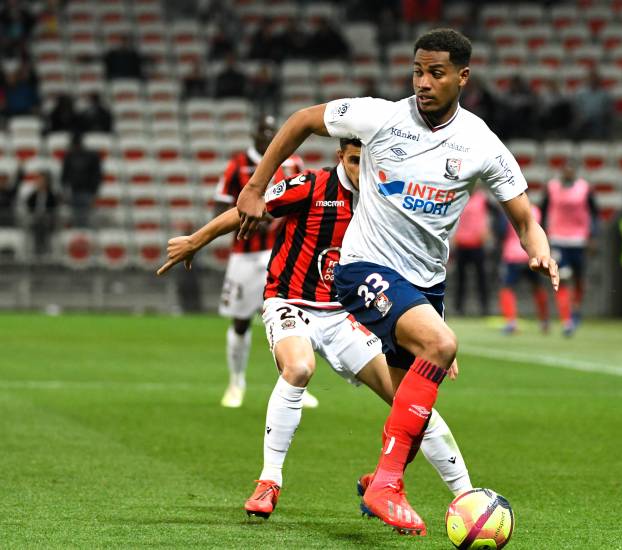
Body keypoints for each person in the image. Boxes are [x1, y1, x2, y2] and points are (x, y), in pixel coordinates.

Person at [234, 28, 558, 535]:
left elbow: (523, 216)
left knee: (413, 397)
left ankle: (378, 480)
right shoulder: (380, 117)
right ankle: (387, 484)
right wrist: (255, 187)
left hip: (425, 284)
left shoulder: (481, 143)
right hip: (364, 268)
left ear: (462, 77)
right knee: (441, 344)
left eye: (436, 73)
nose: (423, 82)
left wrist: (539, 251)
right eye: (417, 71)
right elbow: (301, 121)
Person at [158, 138, 472, 520]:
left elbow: (413, 268)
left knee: (411, 401)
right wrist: (195, 241)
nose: (361, 170)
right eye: (355, 161)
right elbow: (250, 208)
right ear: (340, 156)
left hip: (346, 316)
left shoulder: (386, 201)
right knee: (300, 367)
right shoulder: (310, 185)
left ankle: (467, 496)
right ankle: (269, 481)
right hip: (291, 303)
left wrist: (433, 330)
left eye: (367, 161)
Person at [213, 115, 310, 409]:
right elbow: (219, 203)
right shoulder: (238, 164)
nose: (268, 136)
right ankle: (236, 382)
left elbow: (304, 202)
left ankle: (295, 384)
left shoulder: (294, 163)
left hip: (283, 253)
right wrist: (248, 214)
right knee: (241, 321)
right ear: (254, 134)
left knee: (296, 318)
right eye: (264, 131)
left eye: (273, 131)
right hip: (245, 255)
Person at [543, 165, 598, 335]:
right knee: (563, 277)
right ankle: (567, 320)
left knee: (579, 279)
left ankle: (576, 308)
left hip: (579, 240)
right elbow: (542, 211)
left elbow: (595, 213)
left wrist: (593, 236)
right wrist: (543, 237)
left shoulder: (584, 188)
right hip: (558, 239)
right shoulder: (551, 188)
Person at [499, 201, 550, 333]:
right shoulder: (536, 211)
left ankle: (511, 321)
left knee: (507, 288)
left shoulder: (508, 211)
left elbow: (501, 231)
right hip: (531, 255)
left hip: (513, 256)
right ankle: (544, 321)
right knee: (538, 287)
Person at [452, 189, 490, 316]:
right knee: (461, 278)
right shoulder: (459, 197)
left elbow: (492, 215)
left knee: (481, 278)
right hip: (461, 243)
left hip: (477, 244)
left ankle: (484, 307)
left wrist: (487, 230)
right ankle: (459, 307)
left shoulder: (483, 198)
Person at [61, 132, 102, 228]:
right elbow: (64, 176)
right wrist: (65, 191)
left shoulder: (91, 156)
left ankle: (84, 238)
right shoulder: (69, 156)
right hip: (74, 192)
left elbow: (97, 175)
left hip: (87, 192)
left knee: (86, 218)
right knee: (76, 218)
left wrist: (94, 191)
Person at [20, 170, 59, 258]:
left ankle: (44, 251)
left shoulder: (51, 195)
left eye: (42, 181)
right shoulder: (33, 195)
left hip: (48, 220)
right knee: (37, 223)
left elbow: (54, 209)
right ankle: (37, 251)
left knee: (42, 223)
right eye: (39, 181)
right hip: (36, 220)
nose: (40, 183)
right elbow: (28, 206)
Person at [574, 71, 612, 140]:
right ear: (587, 80)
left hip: (599, 118)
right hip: (585, 119)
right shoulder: (581, 93)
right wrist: (579, 116)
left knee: (599, 126)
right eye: (591, 79)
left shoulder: (605, 94)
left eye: (595, 79)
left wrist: (603, 116)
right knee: (576, 128)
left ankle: (598, 144)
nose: (593, 81)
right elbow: (577, 108)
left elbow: (608, 109)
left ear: (598, 80)